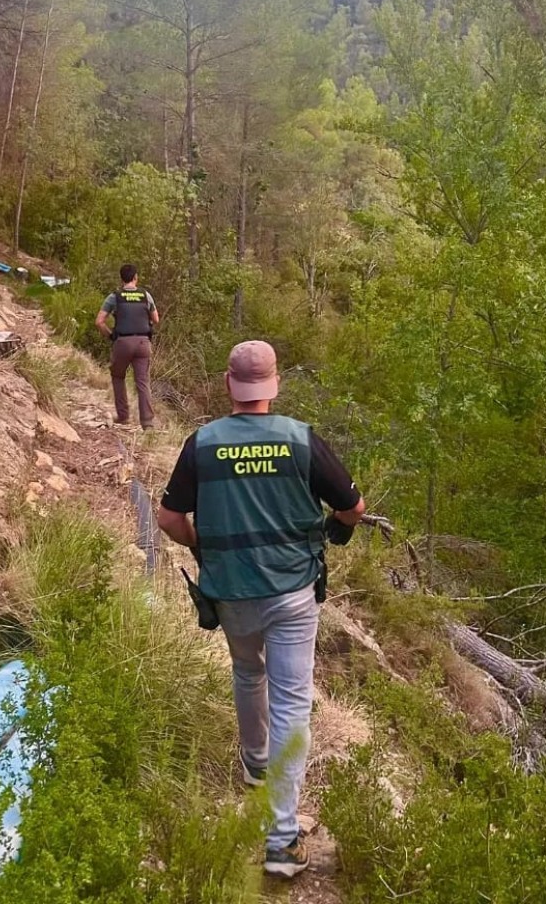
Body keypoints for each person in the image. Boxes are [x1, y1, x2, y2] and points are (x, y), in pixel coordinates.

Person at [156, 340, 365, 879]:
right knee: (292, 700)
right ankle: (281, 838)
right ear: (274, 386)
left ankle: (254, 767)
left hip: (230, 591)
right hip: (292, 592)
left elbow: (168, 518)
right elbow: (352, 507)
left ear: (230, 384)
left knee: (249, 671)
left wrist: (202, 543)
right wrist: (336, 532)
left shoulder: (201, 444)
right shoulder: (300, 440)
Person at [95, 264, 160, 429]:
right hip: (143, 343)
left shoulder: (114, 297)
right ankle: (147, 422)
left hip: (122, 342)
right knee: (143, 382)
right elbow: (156, 319)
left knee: (118, 376)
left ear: (121, 279)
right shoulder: (146, 295)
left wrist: (110, 335)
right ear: (136, 277)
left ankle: (123, 416)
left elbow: (99, 321)